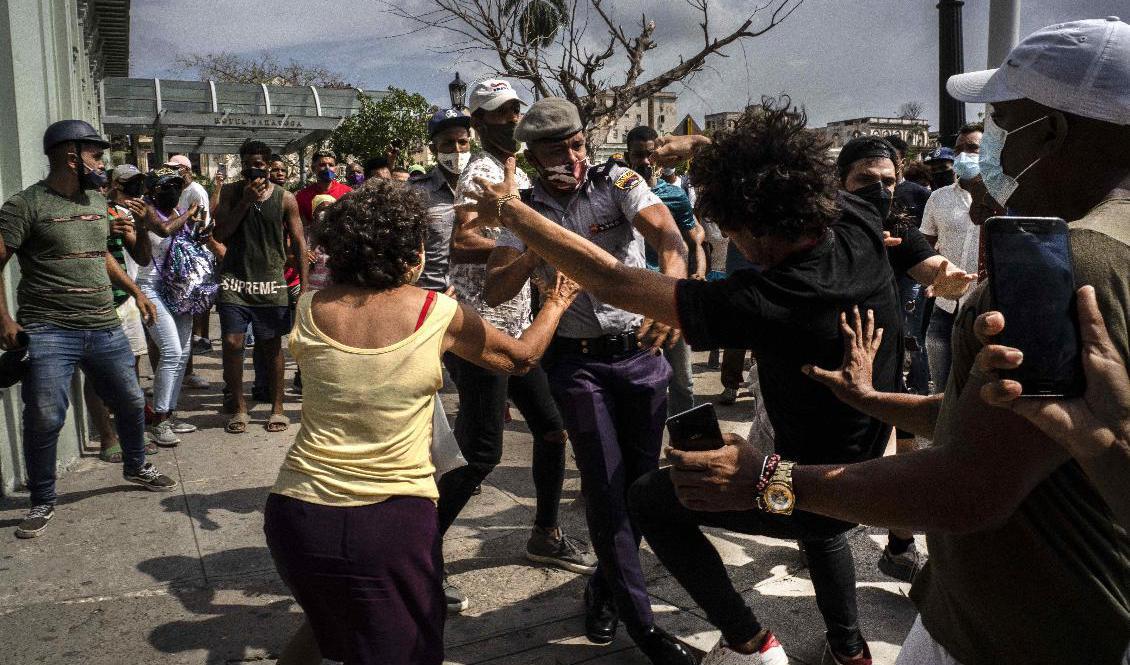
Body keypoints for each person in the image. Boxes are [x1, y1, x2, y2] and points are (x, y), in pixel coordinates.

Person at [660, 19, 1130, 665]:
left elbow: (967, 487)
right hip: (988, 608)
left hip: (1024, 626)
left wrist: (766, 477)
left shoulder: (1066, 267)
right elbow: (1014, 425)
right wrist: (876, 398)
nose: (990, 145)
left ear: (1048, 132)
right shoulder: (1097, 249)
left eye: (1001, 123)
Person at [463, 97, 901, 665]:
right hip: (857, 457)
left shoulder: (765, 299)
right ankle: (848, 648)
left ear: (750, 230)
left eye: (732, 234)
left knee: (651, 497)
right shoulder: (856, 219)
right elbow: (779, 168)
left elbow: (613, 279)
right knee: (824, 537)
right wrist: (703, 146)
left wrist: (516, 216)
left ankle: (751, 643)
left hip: (813, 484)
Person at [263, 180, 582, 665]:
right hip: (390, 522)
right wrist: (558, 301)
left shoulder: (308, 308)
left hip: (297, 514)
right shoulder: (438, 313)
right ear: (413, 253)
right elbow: (520, 359)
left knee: (328, 629)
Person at [480, 97, 694, 665]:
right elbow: (495, 291)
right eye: (557, 148)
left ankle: (604, 585)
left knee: (642, 488)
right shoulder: (520, 206)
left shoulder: (617, 181)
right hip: (575, 365)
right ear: (531, 154)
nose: (572, 156)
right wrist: (534, 242)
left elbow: (671, 242)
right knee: (604, 484)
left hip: (641, 353)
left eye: (577, 143)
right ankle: (641, 624)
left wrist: (669, 300)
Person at [441, 84, 595, 611]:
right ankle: (419, 554)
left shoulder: (522, 170)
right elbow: (461, 242)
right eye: (501, 112)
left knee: (552, 430)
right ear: (479, 121)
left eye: (516, 109)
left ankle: (545, 535)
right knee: (482, 451)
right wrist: (530, 239)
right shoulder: (480, 171)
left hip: (521, 322)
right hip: (480, 324)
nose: (513, 117)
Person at [0, 120, 177, 538]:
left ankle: (136, 465)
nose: (102, 163)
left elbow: (100, 256)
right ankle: (42, 499)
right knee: (45, 415)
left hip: (103, 324)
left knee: (132, 401)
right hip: (48, 330)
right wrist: (5, 320)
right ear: (70, 155)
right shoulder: (25, 206)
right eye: (96, 154)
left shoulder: (98, 203)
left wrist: (137, 290)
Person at [835, 135, 975, 582]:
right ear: (841, 182)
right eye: (866, 180)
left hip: (890, 351)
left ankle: (899, 544)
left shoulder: (899, 226)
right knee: (833, 447)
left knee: (903, 442)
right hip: (833, 350)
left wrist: (950, 278)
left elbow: (930, 265)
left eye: (888, 181)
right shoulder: (820, 226)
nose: (879, 190)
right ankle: (822, 526)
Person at [213, 140, 308, 434]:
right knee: (232, 343)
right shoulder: (229, 193)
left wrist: (304, 287)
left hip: (270, 282)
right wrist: (244, 202)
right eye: (248, 162)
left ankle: (277, 408)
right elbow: (221, 234)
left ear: (269, 165)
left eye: (260, 163)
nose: (254, 168)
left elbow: (301, 243)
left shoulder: (284, 198)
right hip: (234, 281)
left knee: (271, 347)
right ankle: (239, 407)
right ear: (241, 163)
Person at [625, 125, 705, 416]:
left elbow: (693, 233)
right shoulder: (616, 195)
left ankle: (687, 447)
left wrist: (699, 263)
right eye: (638, 156)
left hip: (672, 299)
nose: (644, 162)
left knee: (683, 382)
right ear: (628, 156)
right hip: (634, 303)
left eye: (650, 155)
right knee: (641, 382)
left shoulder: (674, 196)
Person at [85, 164, 159, 462]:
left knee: (129, 371)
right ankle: (107, 436)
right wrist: (101, 230)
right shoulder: (89, 212)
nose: (132, 191)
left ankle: (130, 431)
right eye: (127, 185)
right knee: (96, 374)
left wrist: (140, 227)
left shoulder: (120, 214)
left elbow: (141, 257)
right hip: (93, 305)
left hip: (123, 300)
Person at [132, 167, 206, 446]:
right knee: (172, 351)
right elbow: (163, 230)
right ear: (152, 190)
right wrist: (190, 212)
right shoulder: (147, 209)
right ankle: (159, 420)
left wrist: (197, 226)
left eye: (177, 185)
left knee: (183, 352)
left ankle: (169, 413)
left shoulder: (176, 211)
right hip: (151, 286)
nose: (174, 191)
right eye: (167, 186)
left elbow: (182, 239)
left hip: (177, 287)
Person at [921, 125, 983, 391]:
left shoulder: (1006, 196)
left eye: (972, 148)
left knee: (980, 391)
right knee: (943, 390)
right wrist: (930, 278)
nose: (964, 155)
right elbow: (925, 245)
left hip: (986, 305)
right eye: (959, 149)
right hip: (946, 305)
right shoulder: (938, 198)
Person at [411, 108, 471, 294]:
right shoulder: (415, 193)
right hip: (429, 296)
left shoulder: (483, 188)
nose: (457, 149)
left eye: (462, 142)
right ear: (433, 149)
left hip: (474, 297)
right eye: (448, 143)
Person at [294, 150, 352, 225]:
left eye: (331, 165)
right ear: (313, 168)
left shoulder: (348, 192)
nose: (327, 168)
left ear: (336, 169)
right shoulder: (302, 196)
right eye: (322, 165)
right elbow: (301, 226)